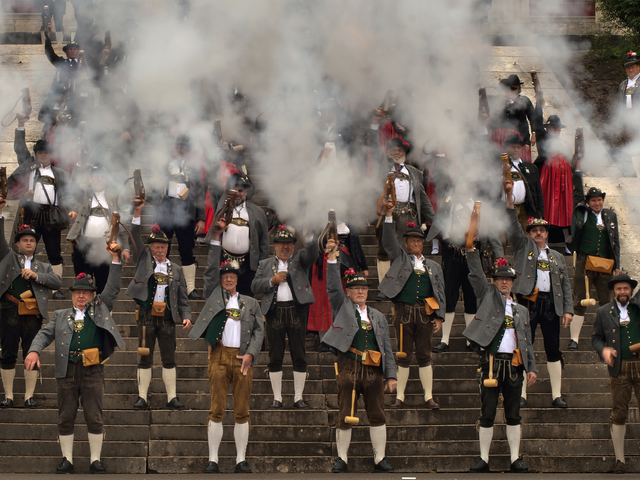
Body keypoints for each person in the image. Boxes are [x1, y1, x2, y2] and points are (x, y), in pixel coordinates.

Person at [24, 244, 124, 474]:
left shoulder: (100, 308)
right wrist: (34, 350)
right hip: (66, 371)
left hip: (93, 371)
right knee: (65, 417)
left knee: (94, 417)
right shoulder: (60, 315)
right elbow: (43, 334)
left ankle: (95, 460)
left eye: (85, 292)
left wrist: (116, 259)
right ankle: (67, 459)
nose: (81, 295)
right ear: (71, 295)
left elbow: (113, 288)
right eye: (77, 292)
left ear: (92, 295)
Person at [189, 217, 264, 474]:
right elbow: (210, 269)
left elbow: (258, 331)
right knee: (217, 408)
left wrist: (251, 354)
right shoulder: (214, 296)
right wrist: (215, 240)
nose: (229, 279)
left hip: (242, 358)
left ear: (237, 278)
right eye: (225, 276)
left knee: (242, 410)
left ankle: (240, 459)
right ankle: (213, 459)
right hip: (218, 356)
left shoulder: (251, 303)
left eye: (232, 276)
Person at [321, 237, 396, 474]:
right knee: (345, 413)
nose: (360, 292)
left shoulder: (378, 317)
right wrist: (332, 260)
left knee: (378, 414)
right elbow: (333, 286)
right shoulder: (342, 307)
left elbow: (388, 350)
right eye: (355, 289)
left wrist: (391, 376)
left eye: (363, 288)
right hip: (349, 368)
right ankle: (341, 459)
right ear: (349, 292)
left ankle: (379, 459)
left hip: (374, 371)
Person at [463, 252, 537, 473]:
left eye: (508, 279)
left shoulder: (521, 310)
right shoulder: (487, 297)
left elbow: (527, 342)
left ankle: (515, 459)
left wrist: (531, 367)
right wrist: (471, 251)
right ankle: (483, 459)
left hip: (514, 365)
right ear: (494, 282)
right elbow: (476, 275)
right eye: (500, 279)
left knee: (513, 413)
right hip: (491, 363)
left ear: (513, 283)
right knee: (487, 412)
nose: (504, 282)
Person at [506, 196, 573, 408]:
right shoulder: (522, 247)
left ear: (546, 233)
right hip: (527, 303)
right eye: (534, 229)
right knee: (524, 345)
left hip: (551, 305)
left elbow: (565, 285)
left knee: (553, 348)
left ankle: (556, 394)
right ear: (528, 233)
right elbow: (513, 227)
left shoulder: (557, 256)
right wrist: (509, 203)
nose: (538, 232)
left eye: (542, 230)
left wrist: (569, 310)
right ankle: (522, 394)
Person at [127, 196, 193, 411]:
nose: (160, 250)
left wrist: (187, 316)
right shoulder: (144, 260)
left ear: (168, 248)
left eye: (163, 247)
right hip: (146, 315)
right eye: (156, 246)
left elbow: (183, 297)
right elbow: (135, 238)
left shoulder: (176, 269)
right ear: (151, 248)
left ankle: (171, 397)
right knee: (144, 356)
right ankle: (142, 397)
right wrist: (137, 214)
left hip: (167, 318)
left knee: (169, 357)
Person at [379, 203, 445, 409]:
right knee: (403, 354)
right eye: (411, 241)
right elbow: (389, 242)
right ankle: (399, 397)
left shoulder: (433, 266)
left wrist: (439, 317)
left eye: (418, 240)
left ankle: (428, 397)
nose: (415, 243)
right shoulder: (400, 259)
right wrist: (389, 216)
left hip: (425, 315)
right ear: (406, 244)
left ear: (422, 244)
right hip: (403, 313)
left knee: (425, 354)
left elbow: (440, 292)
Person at [0, 196, 61, 409]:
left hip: (33, 314)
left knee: (31, 353)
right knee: (7, 352)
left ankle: (29, 396)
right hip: (9, 311)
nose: (28, 242)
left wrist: (36, 275)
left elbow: (57, 281)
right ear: (17, 243)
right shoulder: (8, 257)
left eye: (32, 240)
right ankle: (8, 395)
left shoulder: (43, 266)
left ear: (36, 244)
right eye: (24, 240)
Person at [428, 186, 504, 353]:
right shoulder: (449, 203)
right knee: (449, 296)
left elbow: (492, 233)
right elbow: (436, 218)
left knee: (472, 297)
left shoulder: (480, 207)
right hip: (452, 254)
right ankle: (445, 339)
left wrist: (499, 256)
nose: (463, 190)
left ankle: (471, 341)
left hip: (473, 255)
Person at [251, 225, 318, 409]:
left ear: (294, 246)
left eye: (288, 243)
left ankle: (298, 397)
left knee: (299, 354)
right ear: (275, 246)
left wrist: (310, 238)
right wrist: (271, 281)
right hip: (274, 311)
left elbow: (313, 255)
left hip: (297, 310)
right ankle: (277, 398)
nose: (285, 247)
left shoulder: (300, 259)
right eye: (281, 244)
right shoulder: (265, 264)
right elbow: (254, 286)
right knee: (275, 355)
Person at [8, 133, 77, 300]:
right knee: (27, 249)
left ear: (50, 154)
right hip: (32, 214)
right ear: (36, 154)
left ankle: (56, 288)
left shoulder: (59, 173)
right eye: (40, 152)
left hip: (51, 215)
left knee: (54, 252)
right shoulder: (28, 168)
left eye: (46, 152)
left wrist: (72, 208)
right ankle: (25, 284)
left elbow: (67, 193)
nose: (43, 154)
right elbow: (19, 149)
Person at [592, 272, 640, 474]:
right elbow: (596, 338)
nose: (622, 291)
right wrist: (603, 349)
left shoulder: (638, 308)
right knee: (619, 412)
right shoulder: (603, 312)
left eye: (626, 288)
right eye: (619, 288)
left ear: (631, 291)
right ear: (613, 291)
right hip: (619, 368)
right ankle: (620, 460)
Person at [374, 138, 436, 282]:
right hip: (388, 216)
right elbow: (373, 195)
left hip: (409, 216)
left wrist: (435, 222)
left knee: (410, 249)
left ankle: (407, 282)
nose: (396, 152)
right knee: (384, 250)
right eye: (393, 150)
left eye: (399, 150)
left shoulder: (414, 173)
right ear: (388, 153)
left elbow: (424, 199)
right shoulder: (381, 172)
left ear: (405, 153)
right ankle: (385, 284)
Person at [154, 135, 206, 300]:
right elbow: (156, 188)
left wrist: (201, 218)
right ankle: (162, 285)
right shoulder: (165, 166)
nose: (180, 149)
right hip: (166, 214)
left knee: (187, 251)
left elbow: (200, 194)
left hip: (186, 214)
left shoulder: (194, 169)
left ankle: (190, 289)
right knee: (162, 249)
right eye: (178, 146)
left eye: (183, 146)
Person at [568, 187, 620, 350]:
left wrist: (616, 265)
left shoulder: (610, 216)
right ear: (588, 202)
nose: (597, 203)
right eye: (593, 200)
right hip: (584, 261)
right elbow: (574, 226)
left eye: (599, 200)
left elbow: (615, 241)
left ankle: (608, 336)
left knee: (607, 301)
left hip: (605, 263)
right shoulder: (582, 214)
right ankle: (574, 339)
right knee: (579, 299)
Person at [67, 165, 129, 293]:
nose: (99, 179)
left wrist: (126, 248)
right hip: (83, 245)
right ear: (90, 179)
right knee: (83, 287)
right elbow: (72, 187)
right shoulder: (83, 194)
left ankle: (103, 312)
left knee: (104, 286)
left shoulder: (114, 198)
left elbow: (121, 225)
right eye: (96, 176)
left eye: (102, 177)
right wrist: (80, 165)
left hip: (105, 247)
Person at [208, 173, 269, 296]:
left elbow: (264, 243)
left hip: (248, 265)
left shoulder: (258, 212)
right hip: (224, 262)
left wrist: (261, 266)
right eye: (234, 190)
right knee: (225, 300)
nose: (237, 193)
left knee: (246, 301)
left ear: (246, 192)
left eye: (240, 190)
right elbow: (211, 236)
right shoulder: (222, 210)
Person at [308, 220, 368, 341]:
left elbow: (356, 245)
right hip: (324, 264)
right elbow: (313, 244)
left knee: (345, 300)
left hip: (345, 265)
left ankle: (345, 338)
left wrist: (364, 266)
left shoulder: (349, 224)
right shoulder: (319, 222)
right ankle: (324, 340)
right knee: (322, 303)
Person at [535, 115, 574, 253]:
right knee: (547, 209)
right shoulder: (543, 142)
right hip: (548, 178)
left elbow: (571, 160)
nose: (555, 130)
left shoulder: (565, 144)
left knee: (566, 211)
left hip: (564, 180)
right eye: (552, 128)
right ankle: (544, 243)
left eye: (557, 128)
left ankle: (568, 244)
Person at [488, 75, 536, 162]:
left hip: (521, 135)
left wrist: (534, 133)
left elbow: (533, 117)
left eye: (516, 85)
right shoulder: (498, 101)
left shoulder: (524, 100)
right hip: (501, 135)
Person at [501, 133, 544, 229]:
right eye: (513, 147)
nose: (516, 150)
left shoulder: (531, 167)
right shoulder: (499, 166)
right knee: (504, 239)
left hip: (526, 209)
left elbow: (538, 192)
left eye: (518, 147)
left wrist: (540, 212)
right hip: (504, 210)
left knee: (525, 238)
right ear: (507, 148)